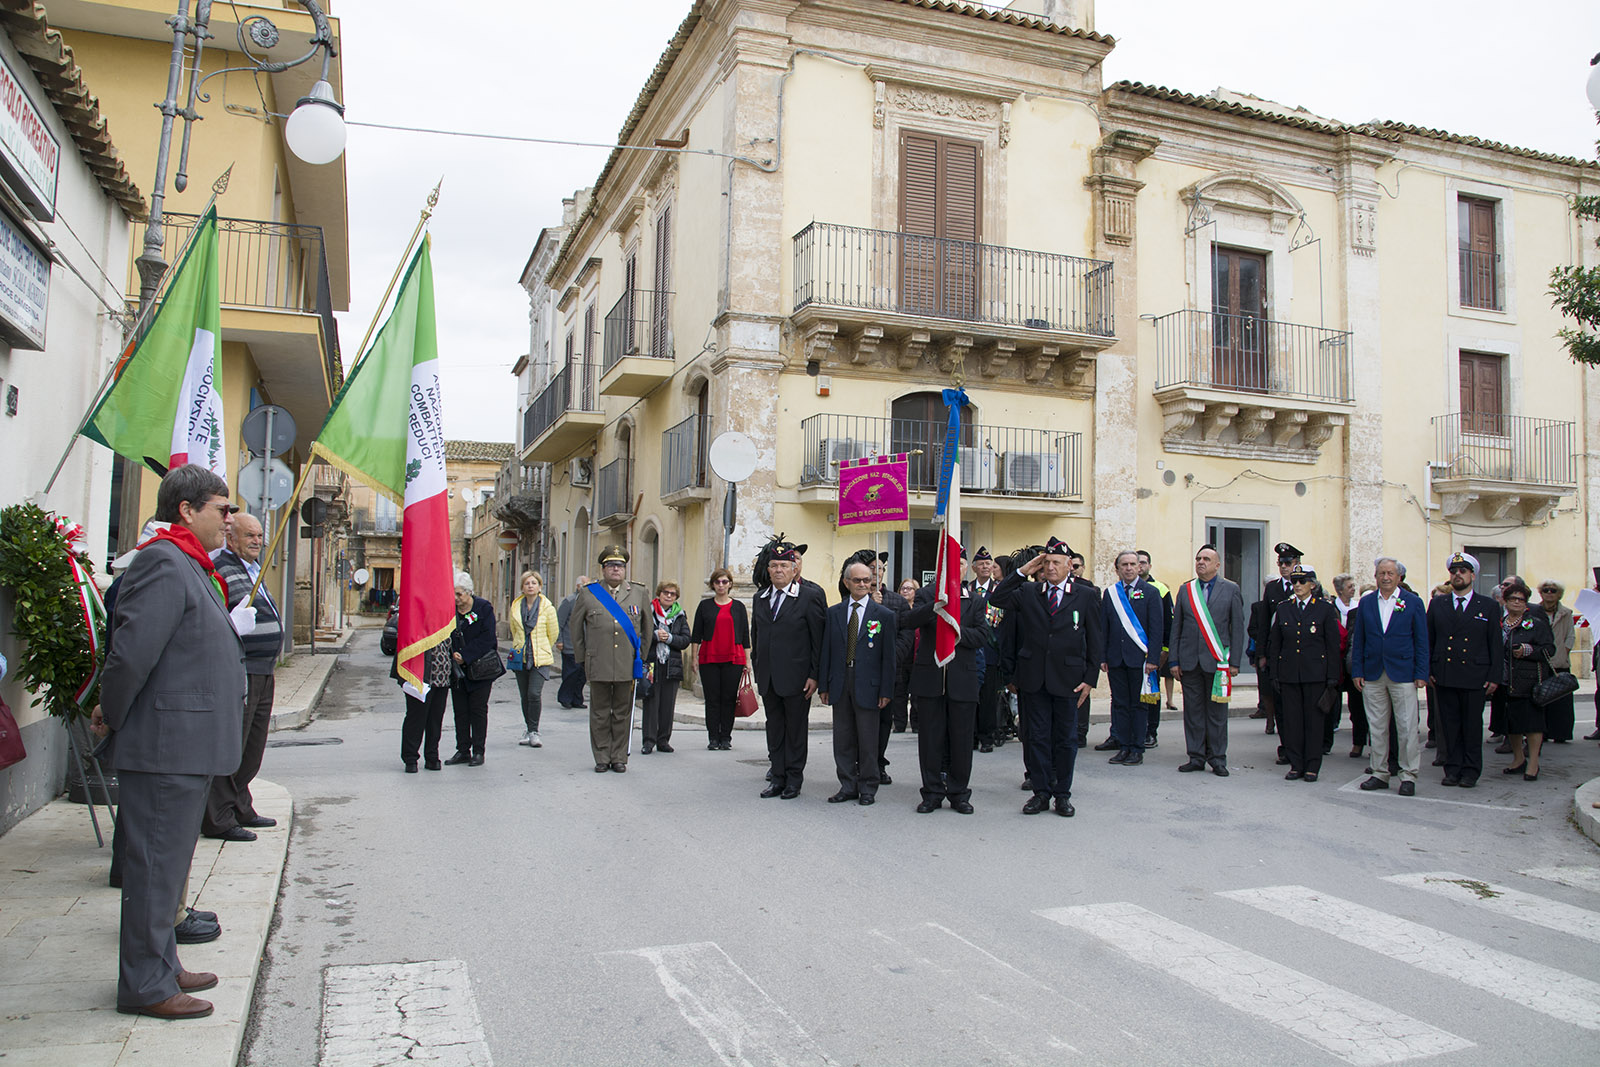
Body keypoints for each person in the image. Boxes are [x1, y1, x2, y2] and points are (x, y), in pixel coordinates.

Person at [98, 465, 244, 1020]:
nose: (229, 520)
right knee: (154, 869)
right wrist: (109, 715)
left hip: (184, 747)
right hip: (164, 746)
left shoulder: (187, 562)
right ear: (187, 509)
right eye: (222, 509)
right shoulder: (163, 561)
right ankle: (144, 985)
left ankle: (161, 963)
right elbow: (131, 653)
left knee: (168, 867)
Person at [990, 536, 1102, 816]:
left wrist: (1090, 678)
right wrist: (1022, 571)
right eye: (1046, 562)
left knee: (1065, 739)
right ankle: (1040, 792)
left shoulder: (1086, 595)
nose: (1050, 567)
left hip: (1069, 679)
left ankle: (1062, 794)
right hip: (1034, 677)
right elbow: (998, 598)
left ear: (1069, 566)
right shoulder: (1030, 592)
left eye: (1056, 562)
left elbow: (1096, 639)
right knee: (1036, 737)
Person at [201, 512, 282, 842]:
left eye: (260, 535)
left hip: (264, 669)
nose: (257, 541)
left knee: (253, 745)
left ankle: (241, 804)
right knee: (233, 743)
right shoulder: (221, 567)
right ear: (231, 537)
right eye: (249, 535)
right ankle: (219, 818)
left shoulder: (254, 570)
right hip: (241, 667)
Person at [903, 575, 988, 813]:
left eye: (960, 563)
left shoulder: (975, 600)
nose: (955, 568)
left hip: (963, 679)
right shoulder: (926, 595)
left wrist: (955, 630)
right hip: (931, 678)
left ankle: (959, 793)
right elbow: (909, 620)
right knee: (930, 740)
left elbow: (982, 635)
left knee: (961, 741)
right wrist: (935, 606)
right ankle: (931, 792)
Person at [818, 559, 897, 805]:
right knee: (843, 738)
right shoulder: (834, 613)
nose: (862, 584)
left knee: (867, 739)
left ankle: (868, 787)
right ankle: (847, 785)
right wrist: (824, 685)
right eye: (857, 580)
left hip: (869, 685)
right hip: (841, 682)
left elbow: (889, 657)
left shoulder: (883, 615)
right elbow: (826, 652)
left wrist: (886, 689)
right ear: (846, 582)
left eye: (866, 580)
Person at [751, 541, 825, 798]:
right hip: (769, 678)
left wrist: (815, 675)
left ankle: (794, 779)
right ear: (768, 570)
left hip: (798, 679)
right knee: (775, 729)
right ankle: (777, 776)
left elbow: (819, 641)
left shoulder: (810, 597)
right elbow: (756, 638)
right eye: (774, 565)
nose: (779, 570)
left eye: (784, 565)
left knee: (795, 731)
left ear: (795, 570)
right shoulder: (760, 598)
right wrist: (758, 671)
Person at [1350, 558, 1430, 796]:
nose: (1385, 577)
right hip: (1373, 672)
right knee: (1376, 727)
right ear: (1375, 577)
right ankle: (1379, 772)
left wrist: (1421, 673)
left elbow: (1421, 640)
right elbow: (1359, 639)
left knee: (1406, 727)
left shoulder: (1412, 602)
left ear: (1399, 577)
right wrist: (1358, 670)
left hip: (1403, 672)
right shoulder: (1366, 603)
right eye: (1381, 573)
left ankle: (1408, 775)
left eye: (1390, 573)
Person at [1425, 552, 1503, 788]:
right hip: (1445, 673)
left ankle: (1470, 770)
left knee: (1471, 726)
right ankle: (1452, 768)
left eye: (1462, 571)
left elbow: (1495, 644)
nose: (1457, 575)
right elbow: (1429, 639)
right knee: (1449, 726)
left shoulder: (1487, 606)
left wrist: (1494, 676)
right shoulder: (1438, 603)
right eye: (1454, 571)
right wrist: (1427, 669)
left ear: (1472, 575)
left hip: (1474, 675)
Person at [1168, 544, 1246, 777]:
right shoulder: (1186, 590)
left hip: (1218, 662)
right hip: (1190, 661)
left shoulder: (1231, 589)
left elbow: (1237, 628)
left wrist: (1234, 663)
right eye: (1198, 558)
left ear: (1217, 565)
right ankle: (1196, 756)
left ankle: (1218, 758)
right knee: (1193, 712)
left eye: (1206, 559)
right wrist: (1174, 661)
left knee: (1217, 713)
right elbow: (1177, 628)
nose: (1201, 562)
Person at [571, 546, 650, 773]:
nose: (616, 569)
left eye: (620, 566)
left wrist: (641, 658)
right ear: (603, 569)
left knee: (623, 712)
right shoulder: (589, 593)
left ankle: (619, 757)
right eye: (611, 565)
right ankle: (601, 756)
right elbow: (576, 629)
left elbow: (647, 627)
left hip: (627, 662)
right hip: (599, 662)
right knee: (600, 713)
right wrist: (582, 659)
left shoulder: (638, 592)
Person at [1267, 566, 1342, 782]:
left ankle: (1312, 765)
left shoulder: (1325, 610)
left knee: (1313, 722)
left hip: (1315, 675)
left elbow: (1332, 646)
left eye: (1302, 581)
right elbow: (1276, 644)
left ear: (1313, 585)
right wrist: (1275, 674)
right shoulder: (1284, 609)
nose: (1297, 585)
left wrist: (1332, 677)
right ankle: (1296, 764)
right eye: (1295, 581)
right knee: (1292, 722)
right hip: (1290, 674)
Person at [1099, 550, 1162, 766]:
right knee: (1120, 704)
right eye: (1124, 564)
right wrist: (1103, 656)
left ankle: (1137, 748)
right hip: (1116, 658)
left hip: (1141, 660)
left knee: (1139, 706)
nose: (1128, 568)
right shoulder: (1111, 594)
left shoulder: (1151, 593)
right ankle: (1123, 746)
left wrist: (1153, 658)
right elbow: (1103, 627)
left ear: (1139, 567)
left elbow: (1156, 629)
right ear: (1117, 569)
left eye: (1132, 564)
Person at [1497, 579, 1556, 780]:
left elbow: (1549, 649)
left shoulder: (1535, 624)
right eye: (1512, 598)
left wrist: (1528, 650)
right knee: (1512, 724)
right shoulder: (1500, 623)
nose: (1516, 602)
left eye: (1521, 600)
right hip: (1505, 680)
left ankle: (1533, 763)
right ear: (1505, 601)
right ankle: (1518, 759)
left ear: (1526, 603)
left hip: (1529, 681)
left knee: (1532, 724)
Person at [691, 568, 749, 750]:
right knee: (712, 699)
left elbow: (746, 636)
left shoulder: (739, 607)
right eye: (718, 582)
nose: (721, 585)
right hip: (709, 658)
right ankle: (713, 737)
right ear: (713, 585)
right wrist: (694, 658)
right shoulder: (705, 606)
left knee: (729, 698)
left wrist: (747, 661)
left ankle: (726, 737)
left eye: (725, 582)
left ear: (730, 584)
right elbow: (696, 635)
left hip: (734, 658)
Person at [445, 573, 498, 767]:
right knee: (460, 711)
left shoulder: (483, 608)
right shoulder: (451, 610)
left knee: (477, 710)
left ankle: (478, 750)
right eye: (454, 595)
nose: (456, 599)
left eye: (459, 594)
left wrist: (466, 654)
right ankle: (462, 749)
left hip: (480, 669)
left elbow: (488, 638)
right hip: (458, 670)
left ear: (468, 593)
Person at [1249, 543, 1301, 734]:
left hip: (1296, 651)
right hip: (1275, 650)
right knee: (1273, 692)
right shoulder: (1272, 588)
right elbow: (1263, 624)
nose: (1284, 567)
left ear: (1297, 563)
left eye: (1288, 562)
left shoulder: (1304, 585)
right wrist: (1261, 653)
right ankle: (1276, 725)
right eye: (1281, 563)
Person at [508, 571, 558, 748]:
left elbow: (553, 633)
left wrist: (542, 647)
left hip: (540, 658)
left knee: (534, 694)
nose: (530, 586)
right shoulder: (515, 607)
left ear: (539, 587)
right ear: (522, 587)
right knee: (524, 696)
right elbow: (514, 630)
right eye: (527, 583)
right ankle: (528, 730)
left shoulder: (548, 608)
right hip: (521, 656)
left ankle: (535, 731)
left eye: (534, 583)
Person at [641, 580, 692, 754]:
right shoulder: (649, 612)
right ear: (659, 594)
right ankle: (648, 741)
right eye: (665, 593)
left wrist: (670, 638)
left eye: (672, 594)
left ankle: (663, 740)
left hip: (672, 664)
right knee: (651, 702)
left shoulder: (680, 615)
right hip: (653, 663)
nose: (669, 596)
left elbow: (686, 639)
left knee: (667, 704)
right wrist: (655, 636)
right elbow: (641, 634)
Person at [965, 548, 1003, 750]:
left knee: (988, 698)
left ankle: (987, 737)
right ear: (974, 568)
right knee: (970, 697)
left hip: (990, 651)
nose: (985, 567)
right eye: (981, 564)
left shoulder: (999, 590)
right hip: (970, 650)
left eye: (989, 563)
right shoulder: (968, 589)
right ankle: (970, 736)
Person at [1327, 573, 1368, 759]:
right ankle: (1358, 742)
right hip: (1349, 663)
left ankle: (1375, 746)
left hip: (1370, 666)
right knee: (1356, 708)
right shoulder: (1348, 612)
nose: (1352, 589)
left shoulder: (1357, 608)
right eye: (1349, 586)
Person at [396, 637, 452, 772]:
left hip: (442, 679)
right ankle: (410, 759)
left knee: (435, 720)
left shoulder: (446, 622)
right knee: (416, 720)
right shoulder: (419, 621)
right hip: (419, 679)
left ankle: (432, 757)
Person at [1137, 549, 1175, 735]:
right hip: (1129, 652)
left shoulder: (1160, 589)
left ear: (1149, 566)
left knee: (1151, 694)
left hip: (1152, 652)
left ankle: (1151, 732)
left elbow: (1168, 622)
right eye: (1137, 562)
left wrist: (1165, 650)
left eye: (1143, 562)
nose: (1140, 566)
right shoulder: (1122, 589)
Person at [1536, 580, 1576, 745]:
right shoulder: (1534, 611)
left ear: (1559, 594)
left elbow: (1571, 636)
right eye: (1546, 590)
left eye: (1553, 590)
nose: (1549, 593)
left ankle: (1561, 733)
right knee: (1542, 697)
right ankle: (1542, 732)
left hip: (1560, 662)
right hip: (1540, 661)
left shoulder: (1566, 613)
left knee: (1562, 700)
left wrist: (1563, 652)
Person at [555, 575, 590, 709]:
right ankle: (565, 698)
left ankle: (577, 699)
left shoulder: (590, 601)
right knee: (571, 673)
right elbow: (560, 622)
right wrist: (559, 640)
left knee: (582, 675)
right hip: (570, 645)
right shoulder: (569, 601)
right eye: (584, 585)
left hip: (585, 645)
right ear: (578, 586)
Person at [892, 577, 921, 735]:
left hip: (916, 656)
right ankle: (900, 723)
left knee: (916, 693)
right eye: (903, 588)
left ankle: (916, 723)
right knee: (899, 692)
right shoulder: (897, 608)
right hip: (902, 656)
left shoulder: (918, 609)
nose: (905, 591)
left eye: (909, 589)